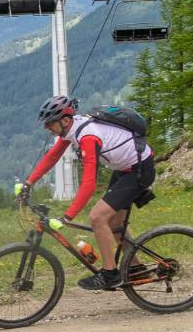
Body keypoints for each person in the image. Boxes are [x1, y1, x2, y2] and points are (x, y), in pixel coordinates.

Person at [14, 95, 156, 290]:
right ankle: (137, 269)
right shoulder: (73, 128)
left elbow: (89, 183)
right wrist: (28, 183)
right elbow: (53, 155)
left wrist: (67, 217)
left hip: (139, 171)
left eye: (49, 123)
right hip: (125, 169)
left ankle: (110, 274)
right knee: (114, 222)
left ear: (64, 120)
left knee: (97, 218)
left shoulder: (88, 136)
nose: (47, 128)